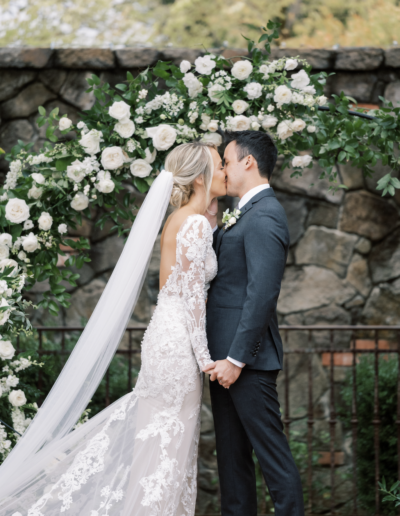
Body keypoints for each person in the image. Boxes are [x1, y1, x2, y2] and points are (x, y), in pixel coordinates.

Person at [0, 141, 226, 516]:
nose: (224, 173)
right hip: (180, 345)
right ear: (200, 177)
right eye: (219, 167)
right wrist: (205, 359)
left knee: (158, 448)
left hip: (167, 337)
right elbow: (192, 297)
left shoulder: (183, 218)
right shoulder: (195, 222)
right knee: (169, 447)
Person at [204, 131, 305, 516]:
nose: (224, 170)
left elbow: (262, 294)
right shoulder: (243, 214)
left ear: (249, 162)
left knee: (272, 458)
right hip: (224, 362)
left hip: (245, 363)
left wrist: (236, 359)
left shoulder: (265, 215)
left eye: (227, 161)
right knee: (232, 461)